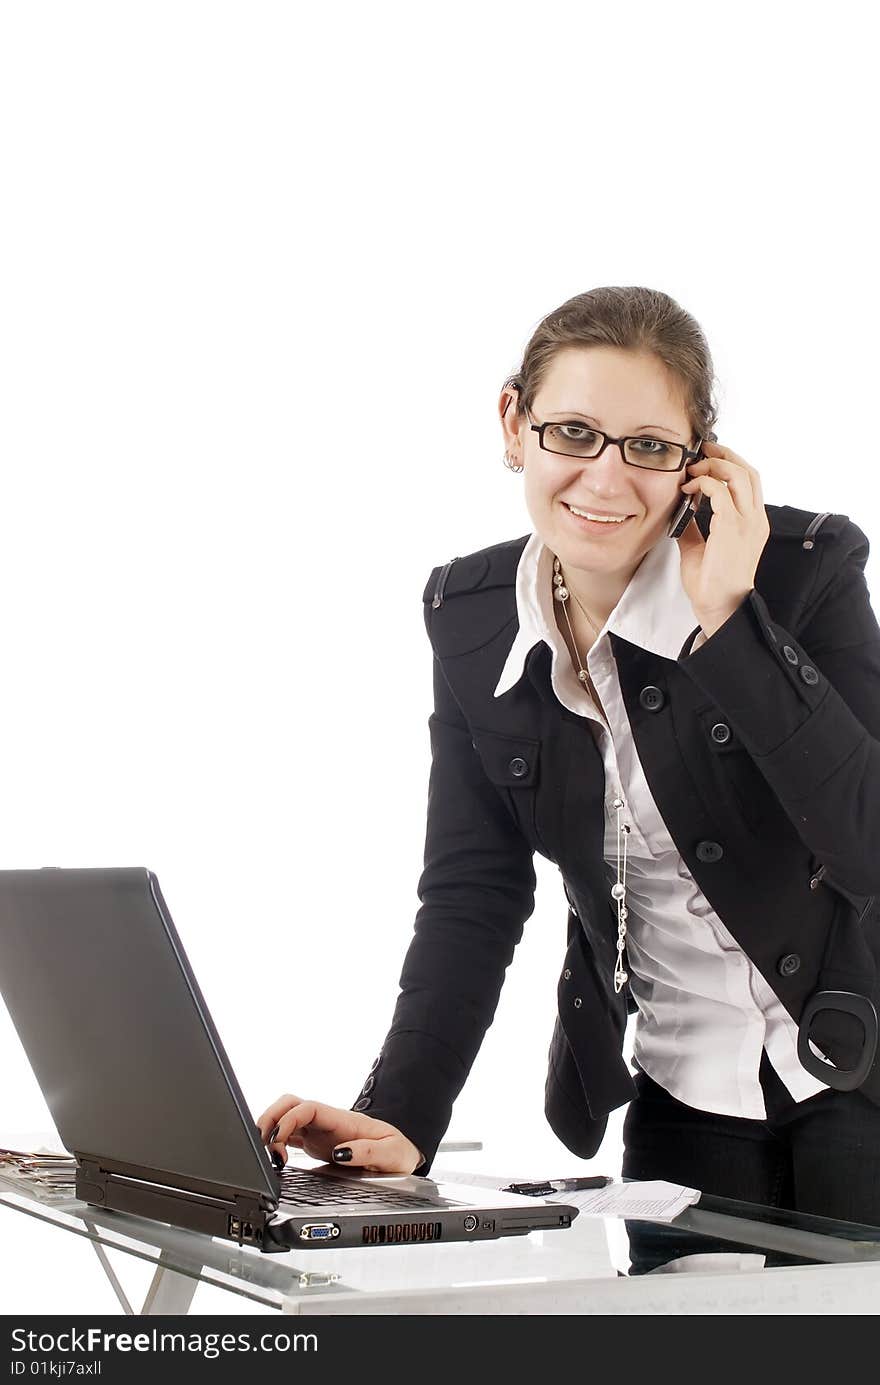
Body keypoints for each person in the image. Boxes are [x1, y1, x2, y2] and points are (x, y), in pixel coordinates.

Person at [258, 286, 880, 1273]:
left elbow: (865, 843)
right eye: (574, 431)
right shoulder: (468, 618)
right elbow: (472, 893)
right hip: (681, 1107)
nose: (606, 475)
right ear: (514, 423)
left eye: (647, 444)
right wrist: (400, 1114)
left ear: (699, 463)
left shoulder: (803, 572)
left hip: (863, 1086)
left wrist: (730, 623)